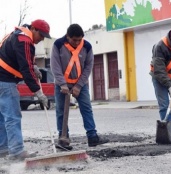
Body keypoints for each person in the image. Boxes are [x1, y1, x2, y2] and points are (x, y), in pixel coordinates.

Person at [50, 24, 108, 149]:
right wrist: (62, 84)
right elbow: (55, 66)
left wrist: (79, 85)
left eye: (79, 40)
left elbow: (88, 67)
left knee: (86, 108)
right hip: (62, 85)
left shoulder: (87, 46)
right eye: (74, 40)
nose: (77, 43)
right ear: (67, 36)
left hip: (80, 84)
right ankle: (63, 138)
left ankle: (92, 136)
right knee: (61, 111)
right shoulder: (58, 45)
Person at [0, 19, 51, 160]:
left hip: (1, 79)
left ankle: (2, 149)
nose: (41, 39)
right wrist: (38, 93)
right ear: (33, 29)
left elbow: (21, 58)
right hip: (5, 81)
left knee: (2, 117)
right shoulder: (24, 40)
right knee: (12, 116)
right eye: (41, 35)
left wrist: (34, 66)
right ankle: (16, 152)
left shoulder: (18, 35)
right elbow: (26, 70)